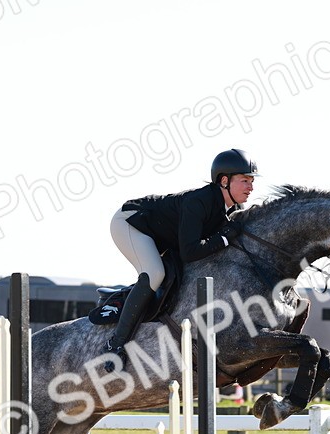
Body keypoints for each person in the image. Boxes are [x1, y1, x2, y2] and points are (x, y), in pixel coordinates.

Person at [105, 148, 258, 363]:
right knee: (155, 273)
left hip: (160, 235)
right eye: (245, 180)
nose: (251, 187)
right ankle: (116, 344)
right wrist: (224, 239)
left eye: (252, 181)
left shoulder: (232, 208)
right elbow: (190, 252)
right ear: (224, 181)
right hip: (130, 222)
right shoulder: (199, 202)